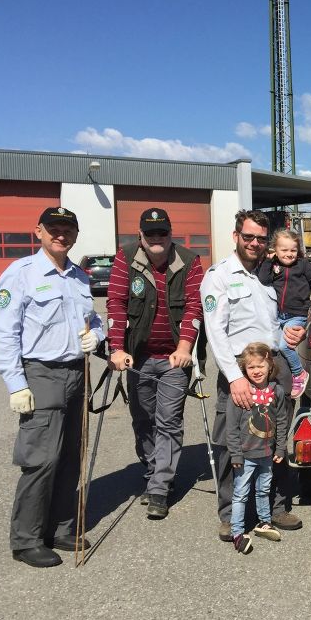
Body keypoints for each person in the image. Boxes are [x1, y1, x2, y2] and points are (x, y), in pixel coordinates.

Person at [0, 206, 104, 568]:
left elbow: (93, 319)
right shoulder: (20, 273)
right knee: (41, 458)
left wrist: (97, 336)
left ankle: (62, 527)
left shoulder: (79, 277)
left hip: (75, 373)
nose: (61, 235)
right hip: (41, 373)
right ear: (38, 231)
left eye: (68, 229)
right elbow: (4, 332)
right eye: (54, 228)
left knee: (71, 455)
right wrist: (15, 383)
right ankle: (26, 539)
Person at [201, 209, 305, 541]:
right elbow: (215, 332)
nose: (255, 243)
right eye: (249, 237)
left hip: (274, 367)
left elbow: (276, 320)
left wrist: (294, 334)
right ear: (236, 237)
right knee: (233, 440)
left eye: (261, 238)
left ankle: (274, 508)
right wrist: (235, 378)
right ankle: (231, 513)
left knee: (274, 438)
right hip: (241, 370)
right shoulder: (218, 276)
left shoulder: (268, 275)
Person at [106, 208, 204, 520]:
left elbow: (194, 305)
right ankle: (153, 471)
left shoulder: (189, 261)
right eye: (150, 234)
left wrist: (186, 345)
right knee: (142, 419)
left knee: (169, 420)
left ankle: (160, 486)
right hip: (139, 356)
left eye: (162, 232)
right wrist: (117, 348)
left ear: (170, 233)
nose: (156, 238)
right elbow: (116, 302)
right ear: (141, 235)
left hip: (175, 358)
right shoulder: (126, 257)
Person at [226, 342, 288, 554]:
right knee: (241, 494)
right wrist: (235, 453)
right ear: (244, 370)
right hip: (245, 455)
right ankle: (237, 532)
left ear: (270, 366)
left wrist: (280, 448)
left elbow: (281, 420)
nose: (257, 371)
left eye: (260, 366)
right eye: (251, 367)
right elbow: (232, 427)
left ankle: (264, 522)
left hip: (267, 454)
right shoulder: (240, 394)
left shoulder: (276, 391)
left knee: (263, 490)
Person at [256, 228, 311, 399]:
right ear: (275, 250)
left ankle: (299, 374)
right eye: (284, 250)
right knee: (274, 347)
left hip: (298, 315)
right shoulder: (273, 265)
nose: (289, 254)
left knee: (284, 346)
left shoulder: (302, 265)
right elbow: (263, 280)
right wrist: (267, 261)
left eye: (293, 250)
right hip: (279, 316)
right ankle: (279, 382)